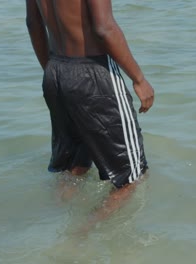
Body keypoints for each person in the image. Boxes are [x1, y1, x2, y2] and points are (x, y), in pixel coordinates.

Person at [26, 0, 154, 231]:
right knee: (131, 177)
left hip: (55, 70)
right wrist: (139, 79)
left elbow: (33, 24)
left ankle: (54, 222)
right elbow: (104, 28)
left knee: (75, 166)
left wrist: (53, 71)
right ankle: (81, 233)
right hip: (93, 72)